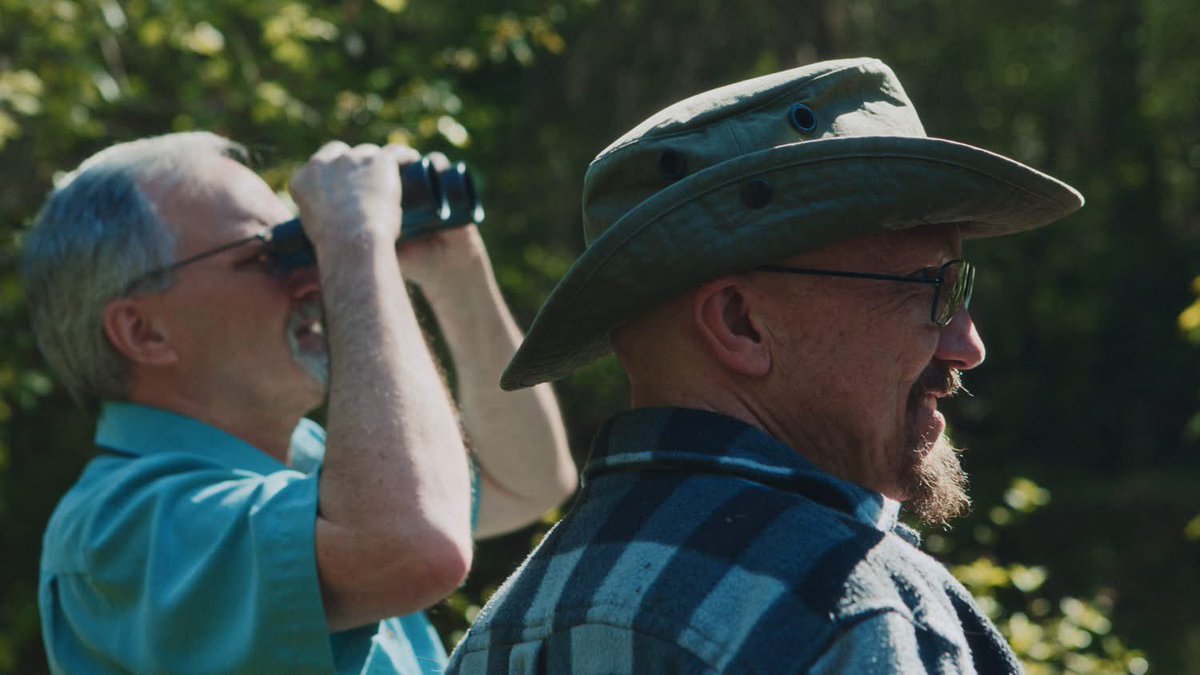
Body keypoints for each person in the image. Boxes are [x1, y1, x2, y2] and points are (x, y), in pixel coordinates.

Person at [446, 57, 1083, 673]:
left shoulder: (508, 629)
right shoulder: (852, 613)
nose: (967, 345)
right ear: (740, 324)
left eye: (960, 287)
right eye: (928, 287)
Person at [22, 132, 577, 674]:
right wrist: (355, 238)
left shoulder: (306, 458)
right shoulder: (125, 528)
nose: (315, 277)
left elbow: (528, 480)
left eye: (307, 241)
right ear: (144, 332)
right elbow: (419, 549)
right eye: (272, 254)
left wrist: (453, 272)